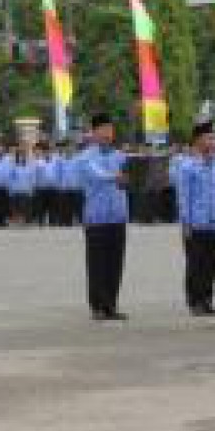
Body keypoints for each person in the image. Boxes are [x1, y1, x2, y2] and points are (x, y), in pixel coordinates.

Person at [76, 114, 130, 322]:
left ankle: (111, 305)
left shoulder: (120, 156)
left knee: (115, 263)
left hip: (118, 215)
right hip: (96, 217)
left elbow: (130, 178)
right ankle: (97, 305)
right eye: (104, 129)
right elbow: (96, 174)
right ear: (94, 132)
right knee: (97, 263)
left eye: (111, 129)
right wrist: (116, 177)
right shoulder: (86, 157)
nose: (108, 133)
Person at [178, 122, 215, 317]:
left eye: (214, 138)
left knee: (211, 264)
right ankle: (195, 301)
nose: (213, 142)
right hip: (196, 223)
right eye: (209, 138)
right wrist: (185, 223)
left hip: (214, 221)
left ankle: (207, 300)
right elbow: (184, 197)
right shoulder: (187, 166)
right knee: (196, 264)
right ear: (198, 141)